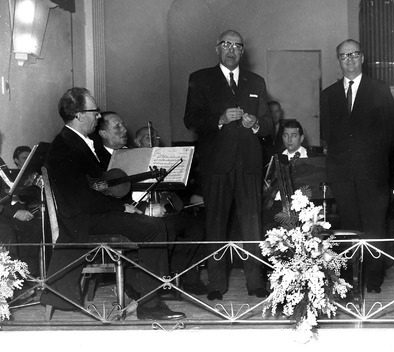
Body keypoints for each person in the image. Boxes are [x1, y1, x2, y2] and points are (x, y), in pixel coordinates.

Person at [39, 87, 185, 320]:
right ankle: (150, 305)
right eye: (94, 111)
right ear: (79, 115)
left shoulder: (79, 142)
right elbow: (79, 198)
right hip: (82, 220)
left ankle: (142, 291)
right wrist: (121, 207)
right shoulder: (64, 147)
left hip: (93, 214)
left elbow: (98, 186)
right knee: (154, 228)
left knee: (155, 222)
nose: (98, 116)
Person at [184, 29, 272, 301]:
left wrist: (256, 124)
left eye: (237, 46)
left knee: (252, 226)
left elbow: (269, 123)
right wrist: (219, 119)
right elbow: (191, 120)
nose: (231, 49)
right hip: (216, 164)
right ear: (217, 48)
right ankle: (216, 284)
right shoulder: (200, 79)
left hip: (249, 164)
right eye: (226, 44)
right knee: (216, 225)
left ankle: (255, 282)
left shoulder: (256, 81)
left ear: (243, 51)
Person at [320, 39, 394, 294]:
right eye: (344, 56)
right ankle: (351, 277)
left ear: (362, 57)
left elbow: (393, 131)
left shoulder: (379, 89)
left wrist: (371, 157)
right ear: (338, 60)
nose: (350, 60)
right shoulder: (328, 95)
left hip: (373, 173)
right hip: (342, 174)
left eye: (354, 54)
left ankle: (374, 278)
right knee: (349, 226)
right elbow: (327, 135)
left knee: (374, 226)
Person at [131, 125, 207, 295]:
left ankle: (186, 278)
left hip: (165, 210)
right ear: (137, 142)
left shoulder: (162, 160)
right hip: (142, 212)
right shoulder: (133, 161)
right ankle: (164, 278)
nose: (153, 141)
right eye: (148, 138)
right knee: (168, 228)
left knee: (196, 228)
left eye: (156, 138)